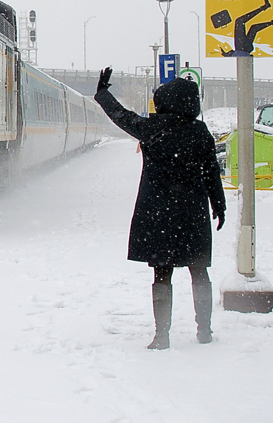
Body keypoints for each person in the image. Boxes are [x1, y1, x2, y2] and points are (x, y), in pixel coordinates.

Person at [95, 67, 227, 349]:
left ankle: (162, 335)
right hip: (193, 213)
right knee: (199, 271)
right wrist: (219, 205)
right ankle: (204, 330)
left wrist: (103, 94)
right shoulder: (200, 131)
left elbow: (122, 118)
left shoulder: (152, 129)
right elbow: (211, 172)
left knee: (161, 275)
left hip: (159, 214)